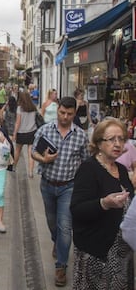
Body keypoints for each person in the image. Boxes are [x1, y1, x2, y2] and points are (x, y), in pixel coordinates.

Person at [31, 96, 89, 287]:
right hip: (47, 184)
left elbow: (85, 161)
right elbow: (33, 152)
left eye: (69, 114)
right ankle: (56, 241)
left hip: (69, 187)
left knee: (65, 227)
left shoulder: (80, 135)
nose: (65, 117)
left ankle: (61, 266)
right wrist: (44, 159)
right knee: (52, 222)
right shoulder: (45, 129)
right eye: (62, 112)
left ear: (74, 114)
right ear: (58, 111)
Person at [70, 118, 134, 289]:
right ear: (98, 143)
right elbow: (77, 210)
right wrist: (104, 203)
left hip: (121, 252)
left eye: (121, 139)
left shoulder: (120, 169)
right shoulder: (89, 169)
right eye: (111, 139)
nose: (117, 143)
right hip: (97, 252)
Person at [13, 92, 37, 178]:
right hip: (32, 132)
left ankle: (14, 167)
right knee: (31, 153)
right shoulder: (33, 107)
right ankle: (30, 172)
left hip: (21, 132)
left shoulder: (20, 108)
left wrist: (14, 134)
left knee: (17, 151)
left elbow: (17, 122)